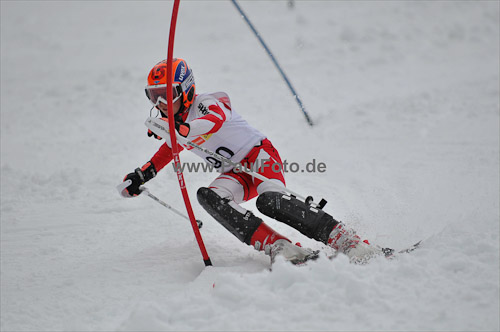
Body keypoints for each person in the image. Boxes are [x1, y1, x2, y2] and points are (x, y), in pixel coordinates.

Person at [120, 58, 381, 264]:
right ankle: (280, 246)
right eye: (153, 96)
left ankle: (347, 241)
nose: (161, 103)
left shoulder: (207, 102)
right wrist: (141, 175)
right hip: (237, 173)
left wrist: (183, 130)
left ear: (186, 90)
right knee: (209, 196)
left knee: (270, 201)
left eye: (167, 94)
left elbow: (214, 120)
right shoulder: (176, 125)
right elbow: (169, 149)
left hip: (259, 156)